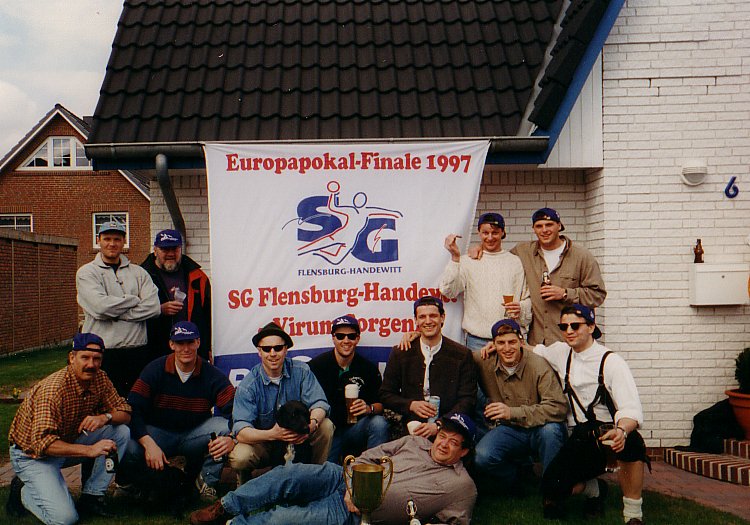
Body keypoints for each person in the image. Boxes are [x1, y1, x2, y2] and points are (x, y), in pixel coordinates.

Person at [189, 412, 478, 525]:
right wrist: (353, 486)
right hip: (340, 478)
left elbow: (453, 523)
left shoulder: (462, 487)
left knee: (288, 519)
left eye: (454, 442)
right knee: (288, 473)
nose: (444, 444)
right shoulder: (415, 442)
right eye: (443, 436)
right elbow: (370, 455)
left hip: (357, 513)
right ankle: (225, 507)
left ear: (464, 451)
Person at [535, 304, 648, 524]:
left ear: (591, 326)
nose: (569, 331)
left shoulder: (612, 362)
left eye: (575, 326)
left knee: (633, 442)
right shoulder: (560, 352)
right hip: (582, 436)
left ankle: (633, 515)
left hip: (611, 434)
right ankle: (596, 489)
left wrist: (621, 431)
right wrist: (497, 346)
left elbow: (631, 409)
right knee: (551, 487)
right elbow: (533, 349)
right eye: (564, 326)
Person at [6, 333, 131, 524]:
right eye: (85, 357)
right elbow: (42, 444)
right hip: (33, 456)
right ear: (72, 358)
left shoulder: (100, 378)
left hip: (67, 442)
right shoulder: (53, 390)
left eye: (96, 358)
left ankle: (92, 497)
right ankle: (24, 491)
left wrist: (104, 417)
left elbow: (126, 413)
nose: (91, 364)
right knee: (65, 519)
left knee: (121, 431)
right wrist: (90, 450)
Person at [121, 321, 235, 499]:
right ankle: (132, 484)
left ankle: (206, 481)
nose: (186, 348)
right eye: (180, 343)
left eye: (190, 342)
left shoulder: (211, 374)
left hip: (194, 433)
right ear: (171, 344)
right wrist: (149, 444)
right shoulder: (155, 369)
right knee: (128, 442)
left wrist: (231, 438)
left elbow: (235, 410)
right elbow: (133, 409)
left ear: (198, 343)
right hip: (159, 433)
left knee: (223, 428)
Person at [229, 322, 334, 482]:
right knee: (240, 456)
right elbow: (241, 431)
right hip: (264, 441)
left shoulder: (302, 371)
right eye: (267, 349)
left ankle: (316, 479)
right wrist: (273, 434)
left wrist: (312, 424)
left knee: (325, 426)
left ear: (286, 349)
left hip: (299, 436)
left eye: (278, 348)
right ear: (259, 352)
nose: (272, 353)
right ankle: (245, 483)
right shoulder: (248, 385)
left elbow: (319, 404)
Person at [473, 318, 567, 493]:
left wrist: (511, 412)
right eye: (501, 343)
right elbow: (457, 358)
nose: (507, 348)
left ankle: (552, 490)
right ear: (493, 344)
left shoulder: (539, 365)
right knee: (482, 456)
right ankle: (516, 478)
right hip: (510, 429)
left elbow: (558, 407)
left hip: (541, 427)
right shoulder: (484, 359)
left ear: (521, 342)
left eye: (512, 342)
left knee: (552, 431)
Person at [76, 219, 161, 395]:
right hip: (103, 352)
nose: (112, 244)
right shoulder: (87, 272)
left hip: (137, 351)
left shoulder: (139, 273)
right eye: (107, 239)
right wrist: (133, 299)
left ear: (124, 242)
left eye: (117, 239)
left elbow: (153, 308)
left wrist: (115, 313)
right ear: (98, 240)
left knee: (135, 402)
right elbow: (100, 307)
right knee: (101, 402)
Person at [380, 296, 477, 438]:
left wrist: (439, 424)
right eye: (422, 317)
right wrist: (411, 405)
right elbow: (385, 394)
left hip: (449, 428)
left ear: (442, 318)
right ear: (416, 320)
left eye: (433, 316)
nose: (428, 321)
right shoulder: (401, 352)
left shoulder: (461, 355)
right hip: (411, 427)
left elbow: (467, 400)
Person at [511, 208, 606, 345]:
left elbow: (598, 295)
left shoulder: (581, 256)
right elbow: (500, 257)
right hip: (538, 342)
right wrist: (480, 248)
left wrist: (565, 293)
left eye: (549, 225)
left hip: (570, 342)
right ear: (533, 229)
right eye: (539, 226)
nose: (544, 230)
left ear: (559, 226)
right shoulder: (523, 251)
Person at [440, 212, 531, 351]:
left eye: (495, 233)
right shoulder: (468, 261)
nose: (490, 237)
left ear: (503, 233)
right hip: (476, 341)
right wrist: (455, 257)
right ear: (479, 233)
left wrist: (521, 308)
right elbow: (448, 291)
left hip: (509, 339)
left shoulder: (514, 261)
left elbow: (526, 298)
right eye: (485, 233)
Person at [309, 315, 389, 462]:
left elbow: (381, 404)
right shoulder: (317, 366)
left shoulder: (368, 368)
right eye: (340, 336)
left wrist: (369, 408)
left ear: (357, 339)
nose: (346, 341)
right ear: (333, 338)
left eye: (351, 336)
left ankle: (372, 470)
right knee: (330, 472)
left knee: (379, 423)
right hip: (328, 432)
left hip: (355, 430)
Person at [141, 229, 212, 361]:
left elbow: (208, 317)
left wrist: (208, 348)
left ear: (181, 249)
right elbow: (132, 312)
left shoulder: (198, 277)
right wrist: (159, 309)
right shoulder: (141, 276)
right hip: (154, 350)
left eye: (175, 249)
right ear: (155, 251)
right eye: (165, 249)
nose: (170, 254)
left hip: (189, 349)